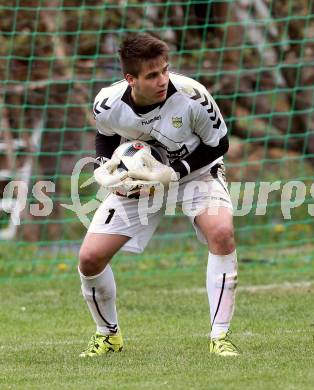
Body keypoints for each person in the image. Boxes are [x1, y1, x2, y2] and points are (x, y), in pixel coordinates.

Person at [78, 33, 239, 357]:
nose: (162, 79)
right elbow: (104, 136)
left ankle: (220, 337)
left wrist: (174, 172)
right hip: (140, 179)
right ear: (130, 78)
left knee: (221, 232)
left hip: (195, 171)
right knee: (89, 259)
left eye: (165, 70)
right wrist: (104, 165)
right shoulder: (108, 103)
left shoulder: (193, 96)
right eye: (152, 75)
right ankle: (108, 336)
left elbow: (219, 145)